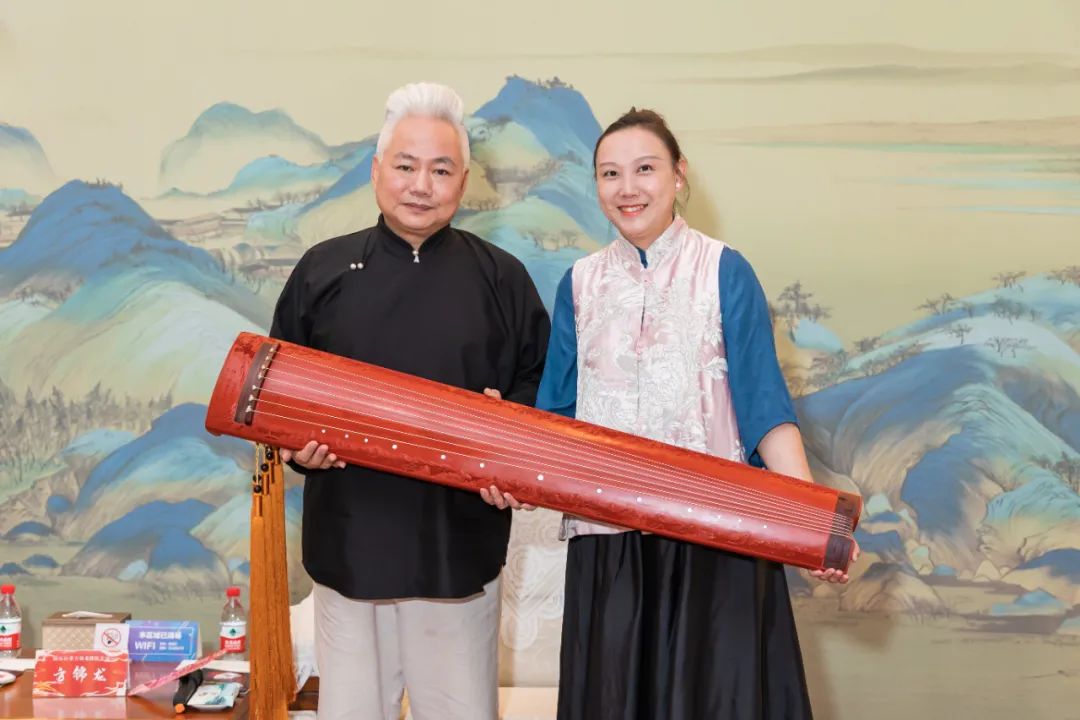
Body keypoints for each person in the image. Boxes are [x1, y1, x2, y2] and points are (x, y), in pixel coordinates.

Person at [491, 108, 858, 719]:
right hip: (608, 541)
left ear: (679, 175)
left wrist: (813, 528)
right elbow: (555, 419)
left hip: (717, 538)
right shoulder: (579, 284)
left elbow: (765, 408)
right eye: (610, 173)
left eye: (645, 169)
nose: (627, 188)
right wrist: (500, 452)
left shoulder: (724, 270)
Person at [269, 82, 551, 720]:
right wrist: (296, 448)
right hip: (350, 546)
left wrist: (508, 440)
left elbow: (540, 390)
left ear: (464, 181)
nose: (421, 185)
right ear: (376, 171)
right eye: (405, 165)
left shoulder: (502, 278)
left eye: (441, 169)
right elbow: (279, 390)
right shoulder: (321, 271)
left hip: (458, 553)